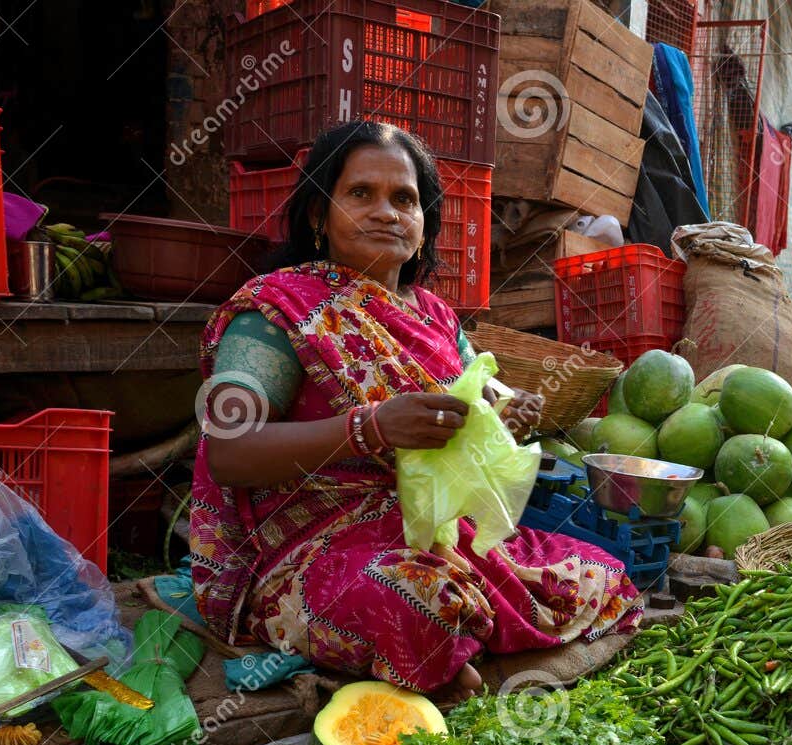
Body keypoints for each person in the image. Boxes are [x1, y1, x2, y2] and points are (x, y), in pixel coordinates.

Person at [191, 121, 643, 699]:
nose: (386, 212)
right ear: (317, 215)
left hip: (430, 528)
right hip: (309, 545)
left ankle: (459, 657)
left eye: (404, 199)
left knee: (596, 573)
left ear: (424, 221)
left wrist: (501, 417)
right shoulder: (277, 311)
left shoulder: (436, 317)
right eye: (360, 194)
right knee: (416, 605)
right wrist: (369, 428)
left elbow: (473, 403)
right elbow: (228, 450)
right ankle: (451, 654)